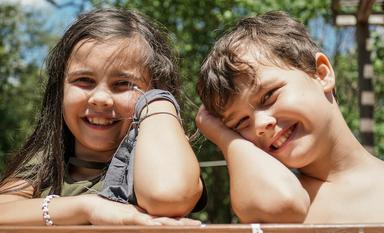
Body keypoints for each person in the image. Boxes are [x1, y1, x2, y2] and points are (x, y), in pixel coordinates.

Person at [0, 8, 204, 225]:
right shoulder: (48, 160)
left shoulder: (159, 158)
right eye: (84, 80)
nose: (100, 98)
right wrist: (88, 208)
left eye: (123, 84)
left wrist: (159, 102)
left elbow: (168, 196)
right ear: (59, 90)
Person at [196, 11, 384, 223]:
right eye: (240, 122)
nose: (260, 124)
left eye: (269, 96)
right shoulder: (283, 204)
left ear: (322, 74)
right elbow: (281, 202)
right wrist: (223, 136)